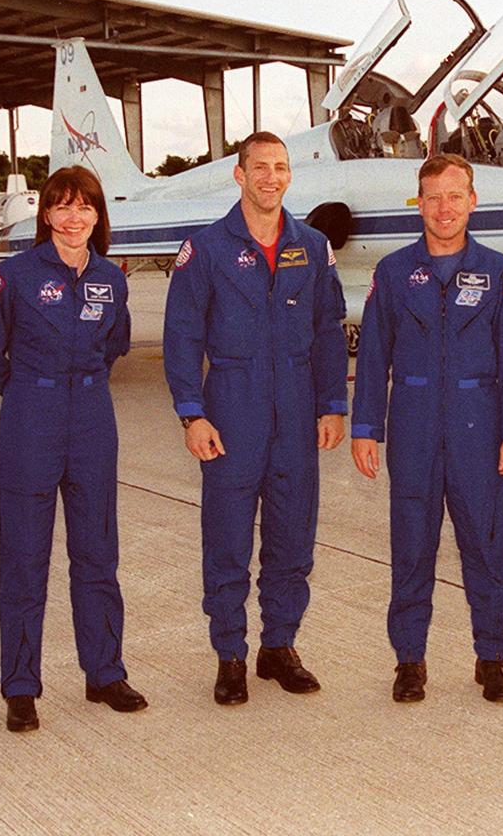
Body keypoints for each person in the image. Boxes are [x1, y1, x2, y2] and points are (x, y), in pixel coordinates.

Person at [163, 131, 348, 706]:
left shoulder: (312, 247)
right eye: (260, 167)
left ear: (290, 176)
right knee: (227, 539)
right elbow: (182, 336)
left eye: (281, 168)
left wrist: (332, 405)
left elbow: (328, 331)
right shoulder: (207, 248)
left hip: (296, 414)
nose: (271, 177)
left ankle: (279, 647)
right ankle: (231, 654)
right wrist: (192, 414)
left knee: (293, 538)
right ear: (239, 175)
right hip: (232, 411)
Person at [350, 154, 503, 703]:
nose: (444, 208)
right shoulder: (392, 272)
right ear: (420, 203)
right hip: (412, 422)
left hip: (478, 425)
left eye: (455, 196)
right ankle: (409, 661)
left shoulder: (499, 270)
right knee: (411, 544)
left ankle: (492, 658)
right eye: (433, 197)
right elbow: (374, 354)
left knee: (487, 542)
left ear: (472, 201)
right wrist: (367, 428)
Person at [0, 165, 146, 732]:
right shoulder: (13, 275)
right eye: (63, 207)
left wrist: (76, 387)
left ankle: (104, 673)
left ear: (98, 215)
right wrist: (27, 392)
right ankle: (21, 686)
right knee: (24, 558)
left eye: (85, 207)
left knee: (97, 553)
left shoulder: (112, 279)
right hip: (31, 420)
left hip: (93, 418)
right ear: (46, 214)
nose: (75, 218)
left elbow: (116, 343)